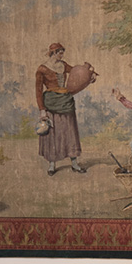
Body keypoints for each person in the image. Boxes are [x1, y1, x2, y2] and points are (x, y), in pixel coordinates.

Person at [35, 42, 87, 175]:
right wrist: (42, 109)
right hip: (51, 103)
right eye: (60, 53)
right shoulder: (42, 69)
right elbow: (38, 90)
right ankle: (52, 165)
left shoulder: (63, 65)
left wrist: (90, 75)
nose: (62, 55)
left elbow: (77, 72)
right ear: (53, 53)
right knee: (53, 134)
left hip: (65, 102)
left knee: (70, 132)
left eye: (62, 53)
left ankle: (74, 164)